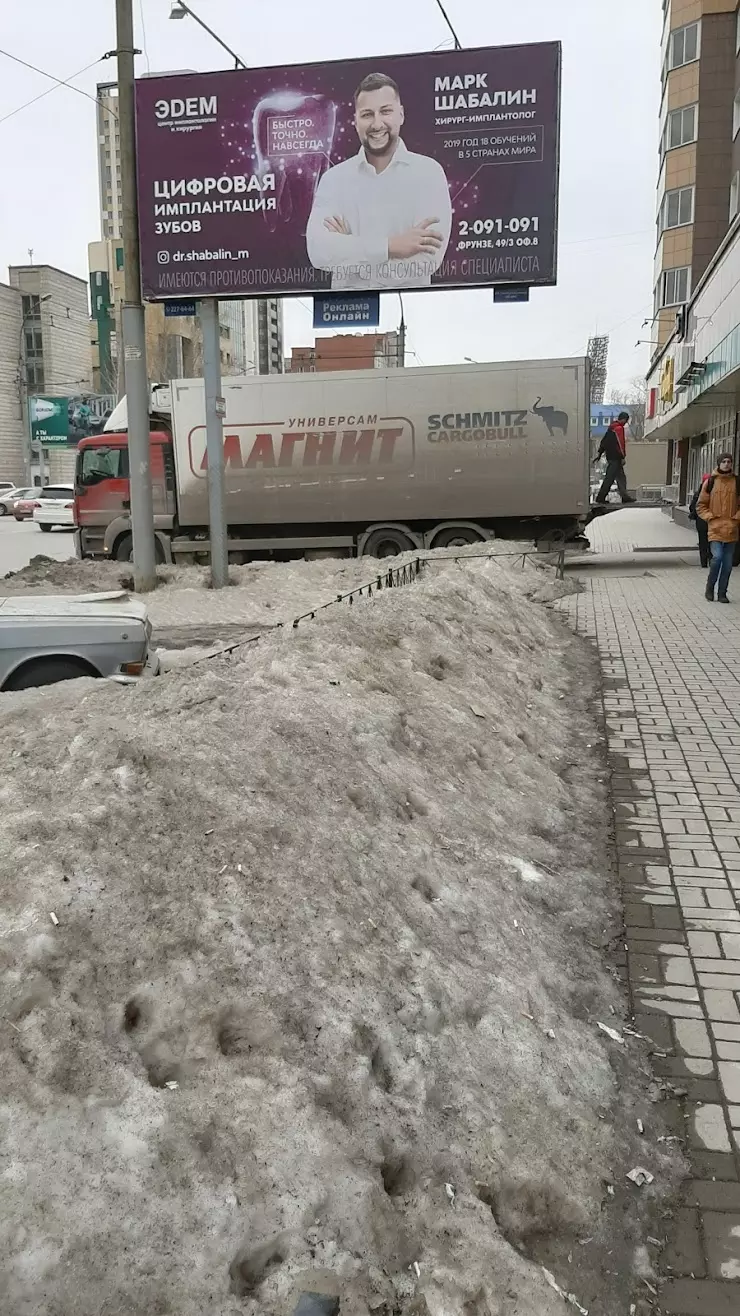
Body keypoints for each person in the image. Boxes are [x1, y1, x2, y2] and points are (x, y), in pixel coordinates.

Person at [306, 72, 452, 291]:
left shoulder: (428, 173)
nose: (376, 124)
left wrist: (349, 251)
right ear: (355, 121)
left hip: (414, 311)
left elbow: (425, 263)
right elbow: (318, 252)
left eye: (385, 111)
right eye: (367, 114)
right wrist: (391, 247)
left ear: (401, 115)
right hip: (350, 315)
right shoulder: (334, 180)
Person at [697, 452, 740, 602]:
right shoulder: (711, 482)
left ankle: (722, 593)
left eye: (729, 461)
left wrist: (736, 519)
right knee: (717, 558)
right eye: (724, 461)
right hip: (715, 528)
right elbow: (701, 505)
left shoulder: (737, 481)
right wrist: (710, 517)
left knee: (728, 565)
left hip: (731, 529)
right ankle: (710, 587)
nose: (727, 464)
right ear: (719, 463)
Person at [593, 411, 635, 504]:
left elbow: (604, 442)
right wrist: (623, 457)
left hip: (611, 457)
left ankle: (625, 497)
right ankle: (600, 498)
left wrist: (600, 453)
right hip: (616, 458)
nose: (626, 423)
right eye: (626, 420)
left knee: (621, 477)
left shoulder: (611, 428)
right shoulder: (618, 428)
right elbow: (621, 444)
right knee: (610, 478)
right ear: (624, 419)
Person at [688, 472, 710, 569]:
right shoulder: (715, 493)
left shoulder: (698, 493)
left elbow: (692, 507)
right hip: (712, 521)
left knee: (703, 542)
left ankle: (704, 563)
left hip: (701, 522)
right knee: (712, 542)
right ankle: (712, 560)